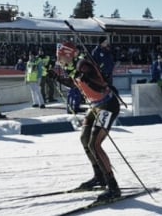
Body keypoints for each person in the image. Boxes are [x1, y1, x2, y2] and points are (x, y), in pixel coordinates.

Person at [49, 41, 121, 202]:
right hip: (95, 106)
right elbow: (73, 83)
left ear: (68, 54)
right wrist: (57, 77)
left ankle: (113, 187)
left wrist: (85, 79)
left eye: (60, 56)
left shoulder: (84, 65)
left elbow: (100, 86)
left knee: (94, 144)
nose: (58, 59)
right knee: (84, 139)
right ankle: (99, 177)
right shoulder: (74, 66)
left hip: (108, 104)